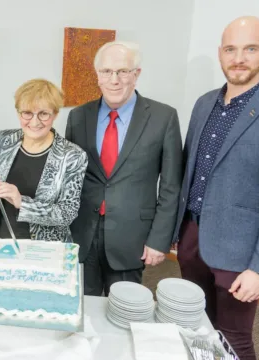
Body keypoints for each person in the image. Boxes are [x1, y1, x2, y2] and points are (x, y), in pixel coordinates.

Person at [173, 16, 259, 360]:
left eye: (250, 49)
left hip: (240, 254)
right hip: (192, 239)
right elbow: (189, 171)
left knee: (234, 338)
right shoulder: (204, 103)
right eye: (231, 49)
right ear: (220, 53)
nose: (239, 58)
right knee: (196, 327)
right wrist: (177, 232)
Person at [66, 41, 183, 296]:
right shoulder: (78, 117)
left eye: (123, 71)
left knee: (125, 312)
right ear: (97, 76)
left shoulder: (164, 118)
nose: (114, 80)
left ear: (137, 74)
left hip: (133, 237)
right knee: (83, 310)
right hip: (83, 233)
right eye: (107, 71)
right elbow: (70, 179)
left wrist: (159, 240)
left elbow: (171, 186)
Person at [0, 79, 87, 241]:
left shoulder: (72, 156)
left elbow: (67, 213)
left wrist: (21, 202)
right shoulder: (1, 141)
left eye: (43, 114)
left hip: (44, 252)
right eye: (27, 113)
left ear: (55, 114)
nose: (34, 121)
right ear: (18, 113)